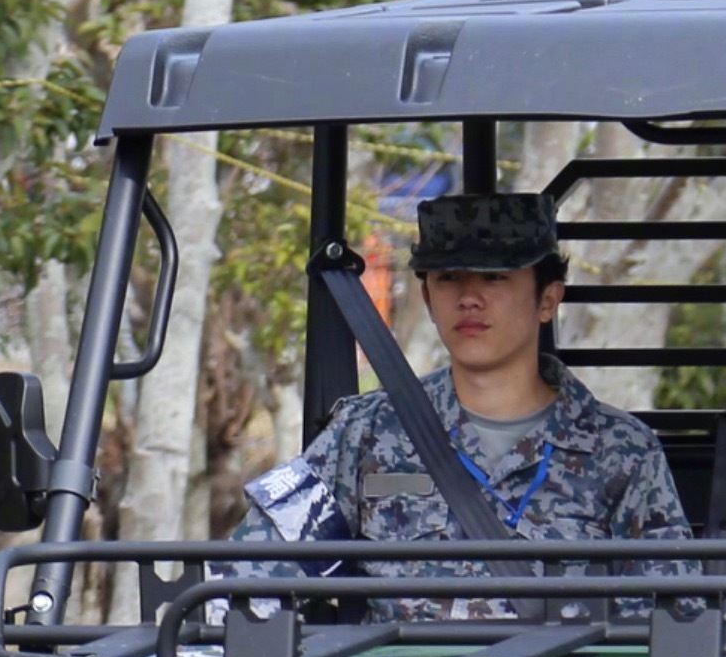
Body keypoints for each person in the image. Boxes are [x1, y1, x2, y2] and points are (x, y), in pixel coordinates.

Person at [237, 192, 691, 617]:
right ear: (428, 298)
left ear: (548, 299)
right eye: (449, 278)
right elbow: (251, 575)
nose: (469, 299)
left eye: (495, 277)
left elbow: (674, 623)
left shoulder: (620, 450)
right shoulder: (368, 432)